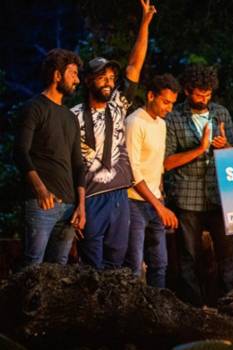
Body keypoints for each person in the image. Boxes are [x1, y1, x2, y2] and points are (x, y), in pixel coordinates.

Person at [71, 0, 156, 270]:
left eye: (111, 77)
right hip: (90, 197)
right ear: (88, 81)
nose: (108, 82)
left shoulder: (118, 106)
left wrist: (144, 23)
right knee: (91, 266)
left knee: (116, 264)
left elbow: (134, 66)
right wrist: (75, 206)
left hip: (119, 195)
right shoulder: (73, 116)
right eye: (101, 77)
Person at [164, 64, 233, 305]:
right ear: (187, 91)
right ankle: (194, 307)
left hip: (219, 195)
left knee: (227, 254)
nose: (204, 99)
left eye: (208, 94)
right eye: (199, 94)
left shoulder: (220, 113)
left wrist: (225, 146)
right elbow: (166, 161)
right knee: (189, 256)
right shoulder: (174, 117)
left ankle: (230, 302)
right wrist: (200, 149)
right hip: (187, 197)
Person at [14, 49, 86, 267]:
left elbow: (78, 164)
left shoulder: (71, 118)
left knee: (59, 270)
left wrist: (81, 205)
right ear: (57, 75)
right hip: (41, 204)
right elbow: (20, 152)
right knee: (33, 267)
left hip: (69, 208)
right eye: (73, 74)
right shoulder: (34, 108)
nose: (77, 80)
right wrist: (41, 190)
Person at [123, 74, 180, 288]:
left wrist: (160, 198)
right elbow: (133, 172)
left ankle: (158, 304)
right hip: (134, 202)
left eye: (172, 103)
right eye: (165, 102)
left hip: (155, 200)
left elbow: (156, 164)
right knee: (134, 265)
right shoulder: (134, 122)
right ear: (150, 96)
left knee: (160, 263)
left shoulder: (161, 124)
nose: (169, 108)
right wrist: (160, 207)